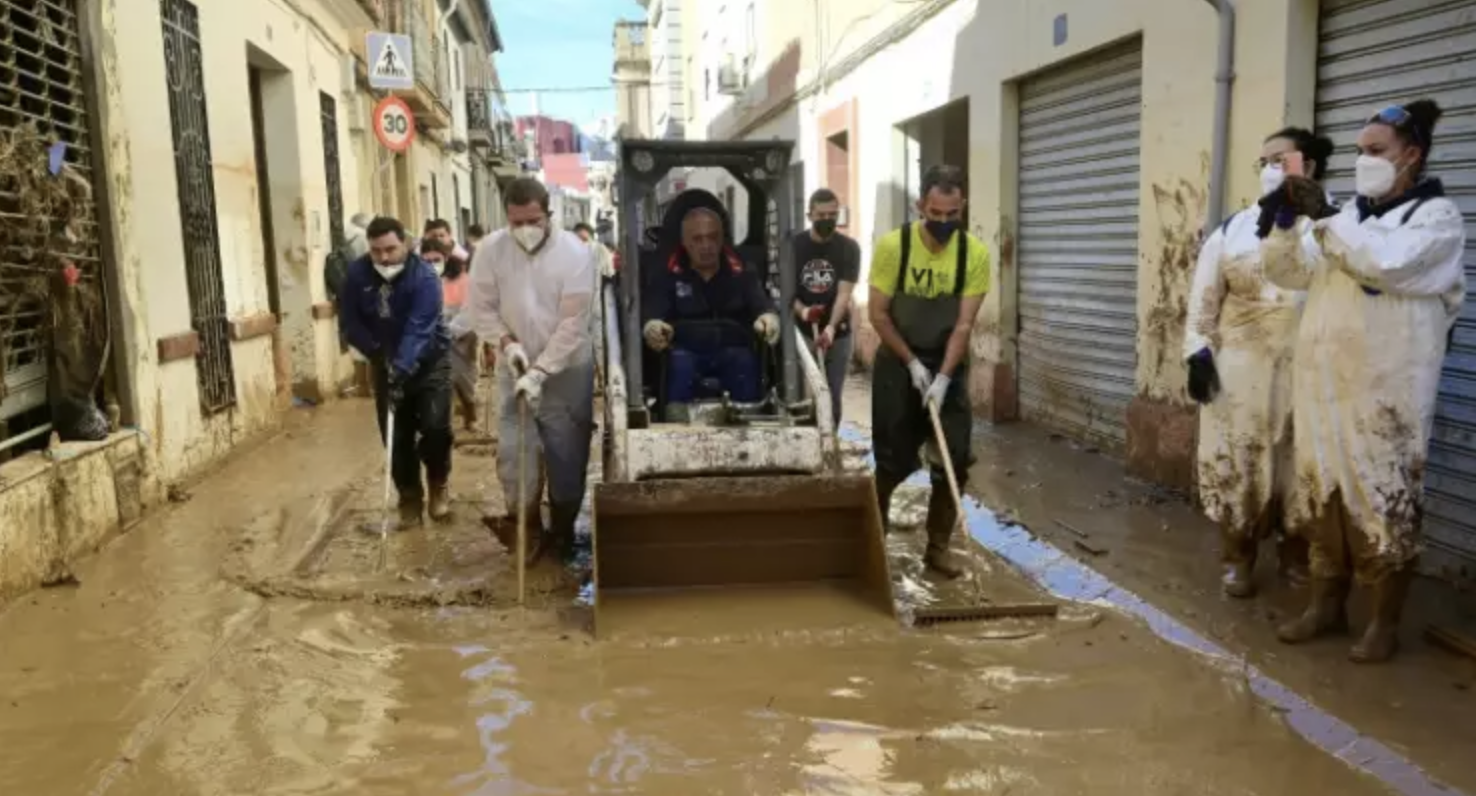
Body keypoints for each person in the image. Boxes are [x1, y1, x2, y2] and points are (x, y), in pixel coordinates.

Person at [1263, 99, 1465, 664]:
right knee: (1322, 495)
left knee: (1385, 501)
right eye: (1358, 152)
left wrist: (1322, 216)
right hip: (1324, 388)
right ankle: (1326, 605)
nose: (1364, 161)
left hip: (1385, 395)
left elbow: (1384, 265)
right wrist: (1281, 227)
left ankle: (1383, 622)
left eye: (1376, 151)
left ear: (1412, 156)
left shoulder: (1436, 221)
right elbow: (1287, 272)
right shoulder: (1348, 217)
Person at [1184, 127, 1332, 598]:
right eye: (1264, 161)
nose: (1270, 169)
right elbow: (1203, 301)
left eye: (1280, 159)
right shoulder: (1232, 231)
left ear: (1307, 168)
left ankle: (1296, 557)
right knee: (1240, 464)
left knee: (1299, 467)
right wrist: (1198, 353)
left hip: (1308, 371)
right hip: (1242, 373)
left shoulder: (1334, 228)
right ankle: (1238, 558)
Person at [457, 178, 597, 566]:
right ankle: (527, 530)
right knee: (514, 454)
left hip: (567, 370)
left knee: (567, 456)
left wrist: (541, 371)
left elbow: (574, 323)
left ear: (548, 214)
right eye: (516, 222)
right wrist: (507, 344)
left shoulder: (576, 253)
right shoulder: (490, 251)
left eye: (533, 221)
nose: (525, 231)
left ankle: (564, 532)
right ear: (507, 217)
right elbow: (481, 308)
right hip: (513, 366)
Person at [868, 165, 990, 579]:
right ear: (921, 205)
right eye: (934, 214)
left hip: (947, 363)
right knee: (891, 459)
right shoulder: (893, 247)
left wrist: (941, 377)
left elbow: (963, 325)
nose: (941, 224)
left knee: (954, 459)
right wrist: (913, 364)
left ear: (962, 207)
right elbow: (879, 315)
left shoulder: (974, 254)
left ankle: (937, 549)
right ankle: (873, 543)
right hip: (898, 361)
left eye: (950, 215)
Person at [338, 216, 454, 527]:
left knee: (434, 429)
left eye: (390, 249)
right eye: (377, 251)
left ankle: (438, 483)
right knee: (396, 436)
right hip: (384, 362)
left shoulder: (425, 278)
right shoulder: (357, 274)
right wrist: (376, 352)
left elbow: (420, 328)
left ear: (406, 243)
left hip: (429, 363)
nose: (384, 257)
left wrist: (402, 366)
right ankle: (409, 499)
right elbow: (350, 322)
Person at [642, 207, 780, 408]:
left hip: (733, 348)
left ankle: (750, 418)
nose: (706, 245)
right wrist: (652, 326)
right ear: (685, 243)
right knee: (679, 364)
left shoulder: (742, 273)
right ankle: (676, 421)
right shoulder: (667, 276)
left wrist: (768, 319)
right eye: (697, 239)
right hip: (684, 350)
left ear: (722, 239)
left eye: (712, 237)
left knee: (744, 361)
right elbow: (652, 313)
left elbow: (762, 305)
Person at [792, 188, 860, 427]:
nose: (827, 220)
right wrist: (804, 312)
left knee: (832, 396)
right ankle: (805, 447)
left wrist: (830, 327)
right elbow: (786, 293)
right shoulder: (794, 246)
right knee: (803, 397)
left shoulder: (849, 248)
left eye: (832, 214)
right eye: (821, 215)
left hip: (837, 332)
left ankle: (830, 446)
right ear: (809, 215)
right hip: (801, 332)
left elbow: (844, 293)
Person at [422, 238, 479, 432]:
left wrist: (448, 331)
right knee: (436, 381)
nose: (432, 265)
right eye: (426, 261)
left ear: (446, 258)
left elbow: (470, 311)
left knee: (462, 378)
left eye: (436, 260)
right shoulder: (418, 280)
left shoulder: (463, 279)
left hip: (461, 337)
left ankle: (470, 411)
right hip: (430, 337)